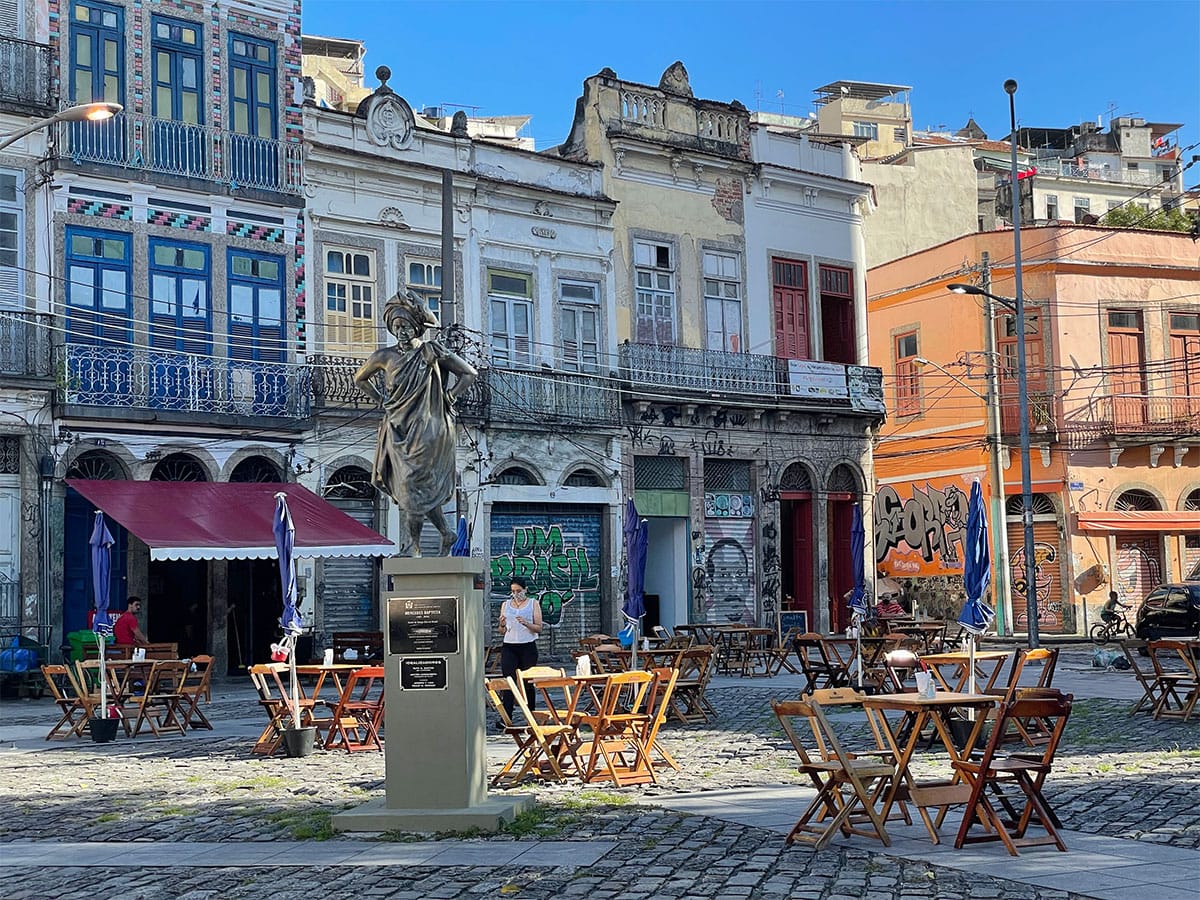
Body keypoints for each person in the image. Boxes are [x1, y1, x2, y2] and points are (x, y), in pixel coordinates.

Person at [354, 289, 477, 557]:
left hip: (427, 430)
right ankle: (446, 533)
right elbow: (360, 379)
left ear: (416, 327)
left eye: (406, 326)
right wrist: (381, 400)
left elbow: (469, 374)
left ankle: (416, 548)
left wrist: (449, 397)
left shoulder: (431, 351)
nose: (401, 331)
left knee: (410, 487)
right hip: (397, 428)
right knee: (416, 489)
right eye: (397, 326)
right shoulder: (384, 356)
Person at [498, 576, 542, 719]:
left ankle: (531, 714)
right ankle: (507, 716)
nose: (516, 594)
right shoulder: (506, 605)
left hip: (527, 646)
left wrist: (526, 623)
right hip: (509, 646)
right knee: (509, 681)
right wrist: (502, 624)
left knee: (527, 681)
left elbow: (539, 628)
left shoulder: (533, 604)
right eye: (513, 591)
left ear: (525, 590)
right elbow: (501, 631)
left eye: (518, 591)